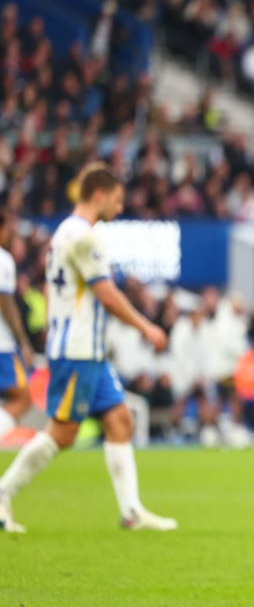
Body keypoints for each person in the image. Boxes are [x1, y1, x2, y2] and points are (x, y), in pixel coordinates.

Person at [0, 163, 175, 533]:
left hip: (84, 350)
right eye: (117, 199)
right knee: (62, 433)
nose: (120, 207)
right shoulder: (84, 237)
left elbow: (53, 290)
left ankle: (131, 512)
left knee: (119, 419)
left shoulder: (64, 233)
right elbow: (106, 294)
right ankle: (2, 494)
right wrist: (147, 326)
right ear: (99, 195)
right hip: (78, 350)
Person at [0, 210, 34, 441]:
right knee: (24, 398)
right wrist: (23, 343)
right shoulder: (3, 258)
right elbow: (6, 302)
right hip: (2, 345)